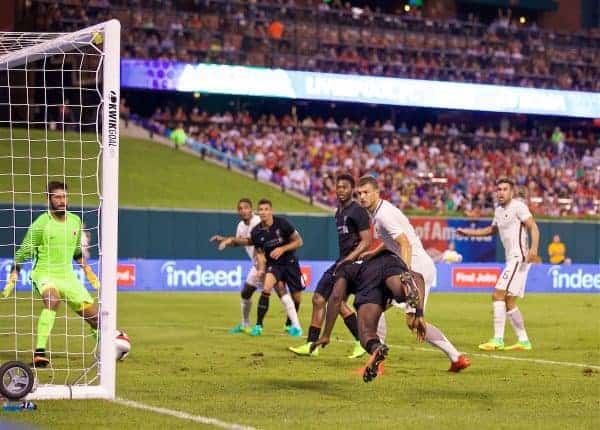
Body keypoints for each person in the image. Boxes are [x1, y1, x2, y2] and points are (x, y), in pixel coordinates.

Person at [356, 175, 470, 372]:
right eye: (359, 193)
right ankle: (378, 361)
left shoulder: (383, 215)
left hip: (417, 270)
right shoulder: (379, 212)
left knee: (409, 320)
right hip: (417, 267)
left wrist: (405, 274)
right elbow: (393, 241)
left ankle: (456, 357)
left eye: (366, 192)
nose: (362, 197)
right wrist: (374, 253)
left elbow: (405, 244)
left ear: (376, 193)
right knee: (379, 306)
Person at [2, 182, 101, 368]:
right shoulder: (41, 224)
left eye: (64, 196)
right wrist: (13, 276)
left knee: (96, 319)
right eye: (57, 197)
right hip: (44, 273)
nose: (62, 200)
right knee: (52, 300)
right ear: (49, 199)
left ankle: (107, 348)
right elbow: (23, 252)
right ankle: (39, 353)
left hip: (68, 277)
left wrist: (87, 271)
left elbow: (76, 252)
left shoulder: (75, 221)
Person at [311, 251, 427, 383]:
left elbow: (336, 298)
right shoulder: (367, 260)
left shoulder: (343, 269)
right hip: (391, 260)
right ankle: (406, 285)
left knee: (366, 334)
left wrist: (326, 334)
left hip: (367, 280)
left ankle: (377, 348)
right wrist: (419, 313)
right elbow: (420, 277)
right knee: (400, 295)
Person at [289, 173, 371, 359]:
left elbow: (366, 241)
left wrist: (348, 259)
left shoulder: (357, 211)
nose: (341, 190)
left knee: (337, 302)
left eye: (345, 187)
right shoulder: (339, 212)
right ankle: (312, 345)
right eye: (338, 187)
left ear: (352, 190)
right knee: (319, 299)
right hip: (341, 261)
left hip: (352, 263)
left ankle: (360, 342)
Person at [457, 178, 540, 351]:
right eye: (498, 189)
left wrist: (533, 249)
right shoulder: (498, 211)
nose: (500, 192)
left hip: (519, 257)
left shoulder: (518, 206)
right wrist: (468, 232)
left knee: (497, 295)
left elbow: (533, 227)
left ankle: (497, 339)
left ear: (511, 192)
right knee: (509, 301)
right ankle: (523, 341)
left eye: (504, 189)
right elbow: (491, 230)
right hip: (512, 259)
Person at [246, 199, 304, 337]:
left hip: (290, 263)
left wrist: (282, 249)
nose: (263, 212)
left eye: (266, 209)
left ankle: (289, 324)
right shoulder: (256, 232)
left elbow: (299, 241)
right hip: (274, 265)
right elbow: (260, 254)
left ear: (271, 210)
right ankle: (258, 325)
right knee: (266, 289)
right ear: (257, 212)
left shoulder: (282, 223)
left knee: (297, 299)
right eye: (261, 209)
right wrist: (261, 269)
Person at [210, 198, 262, 334]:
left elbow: (251, 241)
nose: (243, 210)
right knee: (246, 292)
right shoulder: (240, 225)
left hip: (268, 263)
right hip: (256, 265)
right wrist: (225, 239)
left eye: (246, 207)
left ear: (251, 209)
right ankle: (245, 325)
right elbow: (239, 242)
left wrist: (230, 240)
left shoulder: (257, 222)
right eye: (240, 208)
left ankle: (294, 326)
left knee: (282, 292)